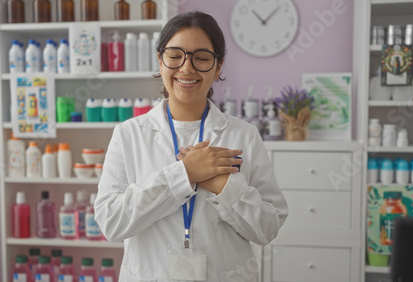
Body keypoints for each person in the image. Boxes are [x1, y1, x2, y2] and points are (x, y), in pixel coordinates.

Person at [94, 11, 288, 281]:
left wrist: (223, 186)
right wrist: (184, 174)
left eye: (202, 58)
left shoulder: (244, 135)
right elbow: (111, 223)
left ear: (218, 66)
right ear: (160, 60)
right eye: (175, 55)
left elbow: (267, 227)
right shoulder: (128, 135)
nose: (187, 68)